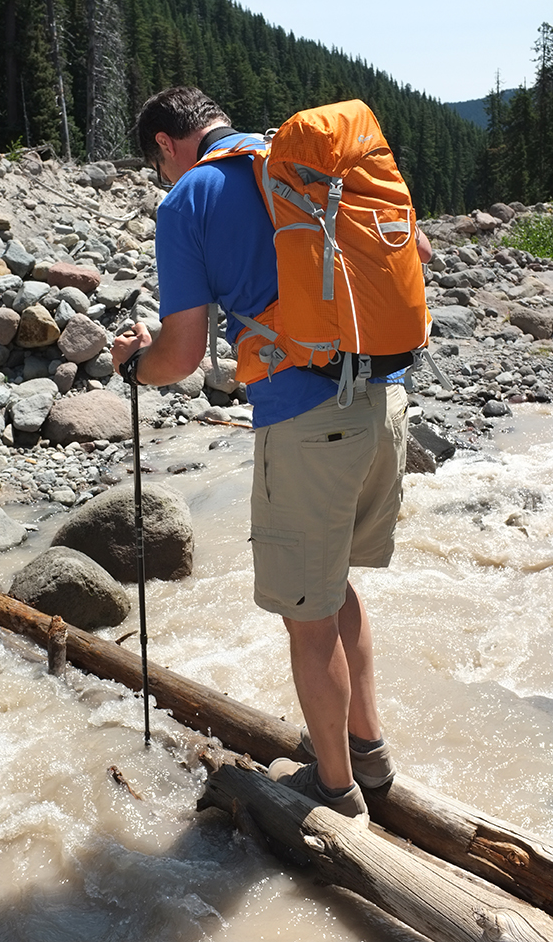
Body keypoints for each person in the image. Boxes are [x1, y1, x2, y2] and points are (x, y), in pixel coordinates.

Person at [111, 86, 432, 821]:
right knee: (337, 587)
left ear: (167, 143)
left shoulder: (189, 197)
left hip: (307, 421)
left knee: (305, 616)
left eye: (158, 163)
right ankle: (369, 753)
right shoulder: (298, 165)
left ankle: (334, 792)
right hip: (386, 401)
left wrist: (136, 363)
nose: (163, 176)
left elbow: (184, 356)